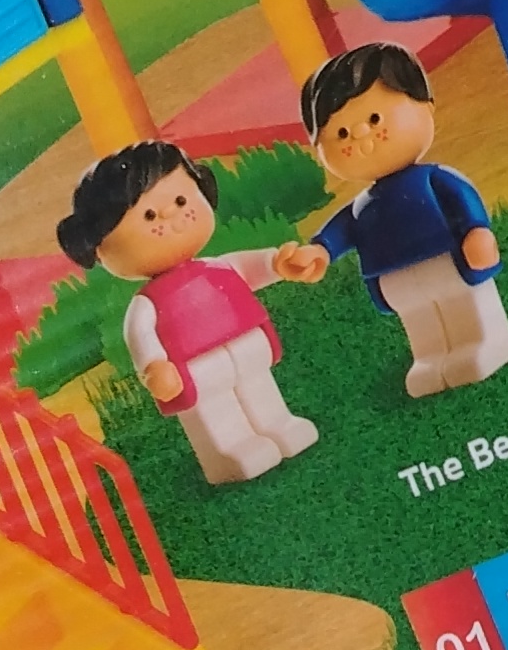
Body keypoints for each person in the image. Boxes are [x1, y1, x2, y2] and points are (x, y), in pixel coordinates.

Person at [57, 140, 323, 487]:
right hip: (195, 368)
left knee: (257, 386)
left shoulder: (217, 267)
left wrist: (278, 264)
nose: (171, 216)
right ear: (99, 246)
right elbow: (141, 335)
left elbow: (250, 268)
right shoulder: (146, 304)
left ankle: (278, 424)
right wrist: (154, 367)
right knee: (215, 408)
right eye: (149, 215)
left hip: (246, 345)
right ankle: (229, 451)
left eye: (181, 201)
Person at [299, 41, 508, 398]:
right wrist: (321, 250)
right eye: (341, 133)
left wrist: (477, 232)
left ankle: (487, 341)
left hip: (447, 258)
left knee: (462, 305)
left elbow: (462, 199)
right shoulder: (361, 207)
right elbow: (342, 230)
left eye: (373, 119)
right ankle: (430, 361)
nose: (360, 135)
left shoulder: (434, 178)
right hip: (394, 278)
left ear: (425, 106)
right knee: (421, 321)